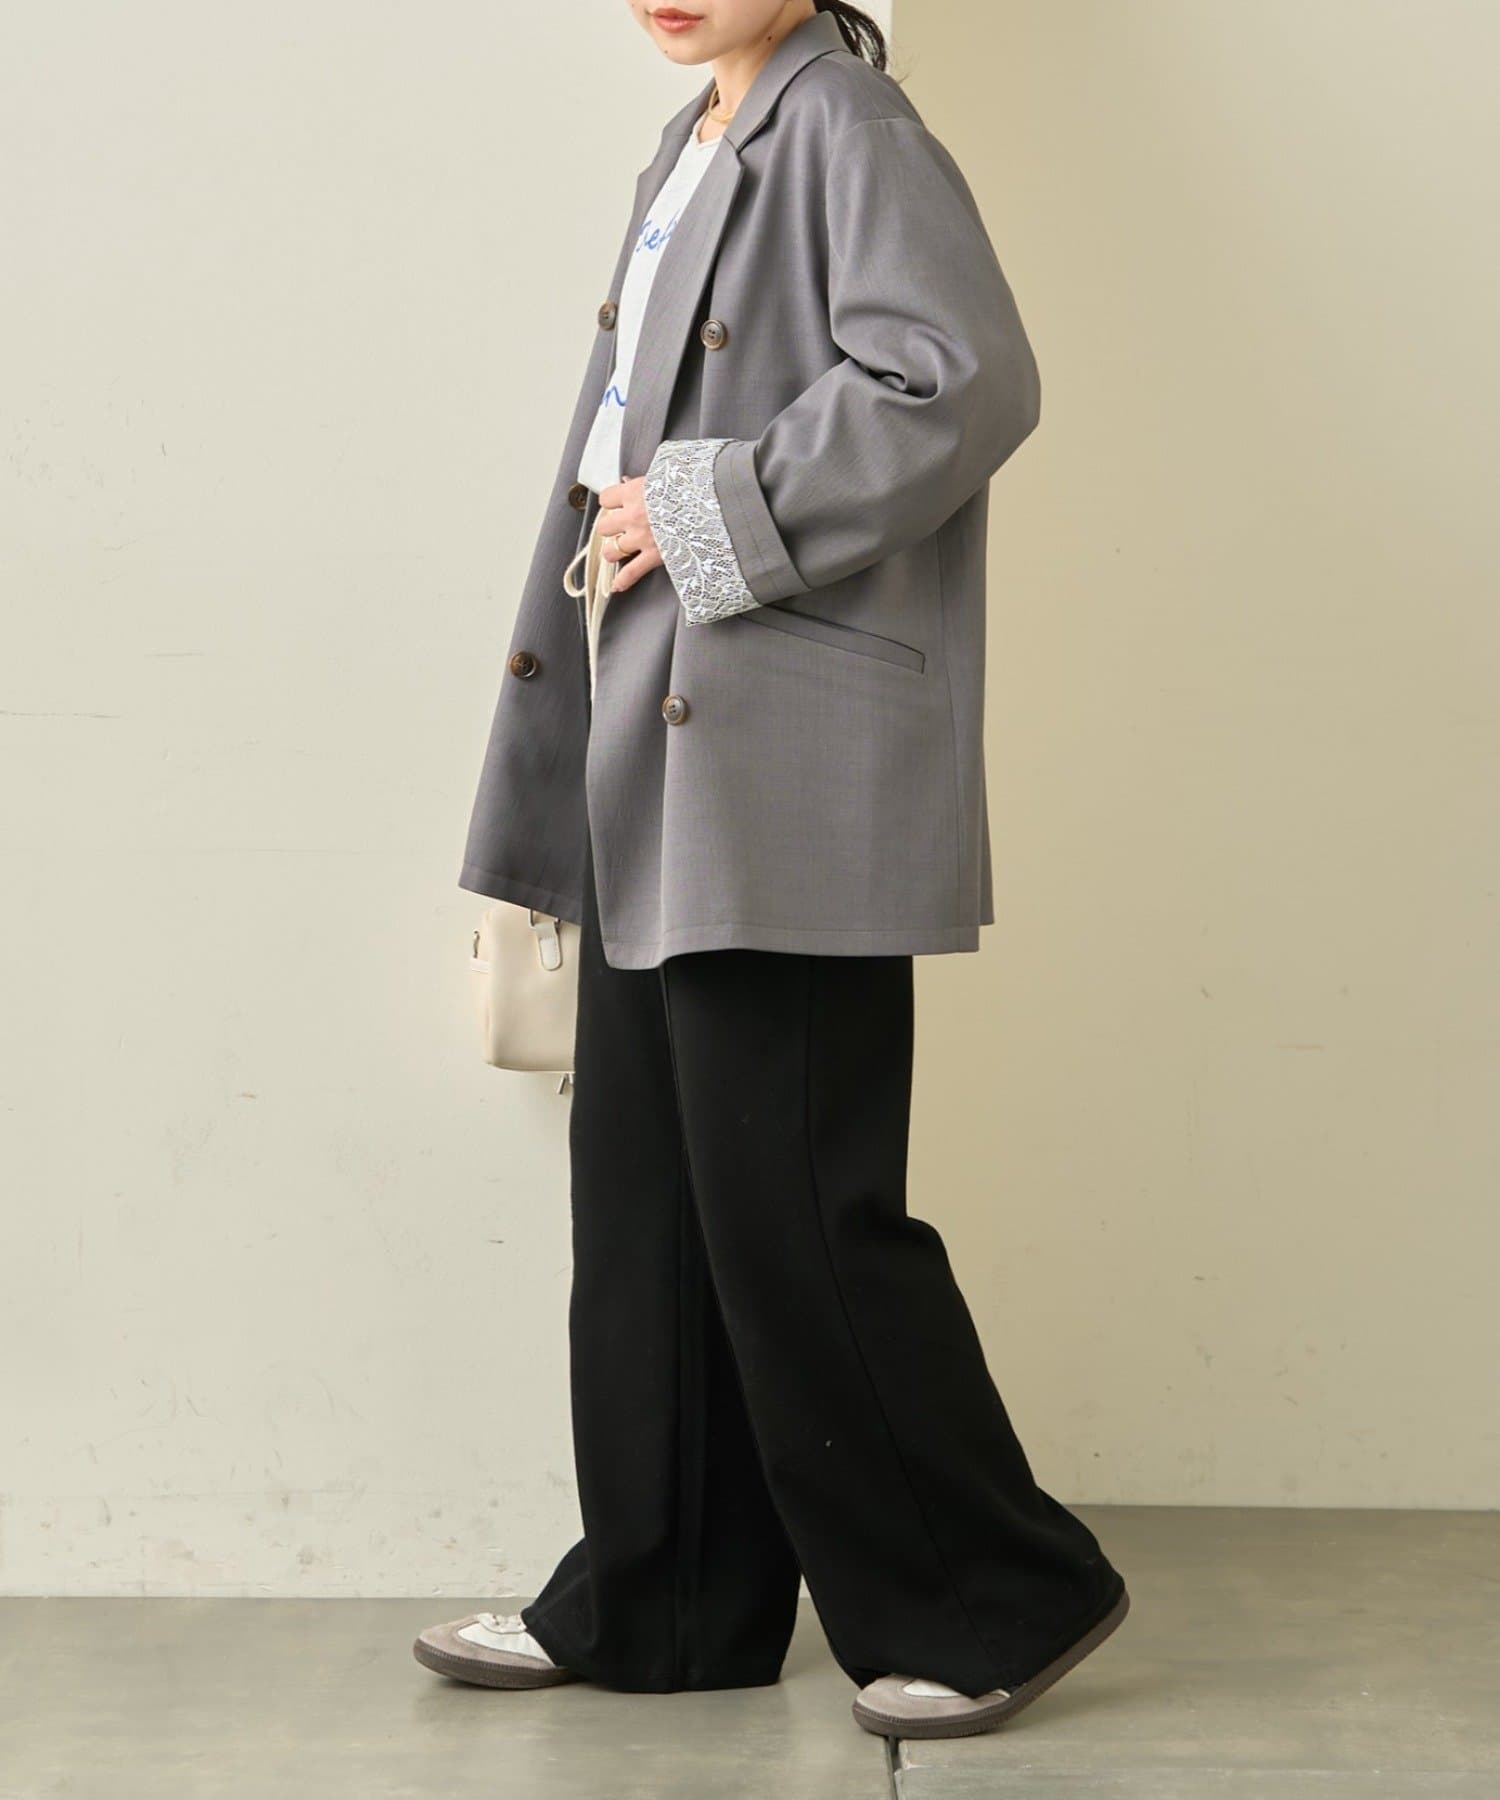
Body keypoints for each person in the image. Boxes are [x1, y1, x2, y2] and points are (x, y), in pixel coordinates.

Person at [415, 0, 1129, 1741]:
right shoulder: (699, 137)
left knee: (797, 1209)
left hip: (777, 761)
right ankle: (667, 1599)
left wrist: (711, 506)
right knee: (650, 1200)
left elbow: (962, 379)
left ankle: (998, 1593)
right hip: (657, 735)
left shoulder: (849, 129)